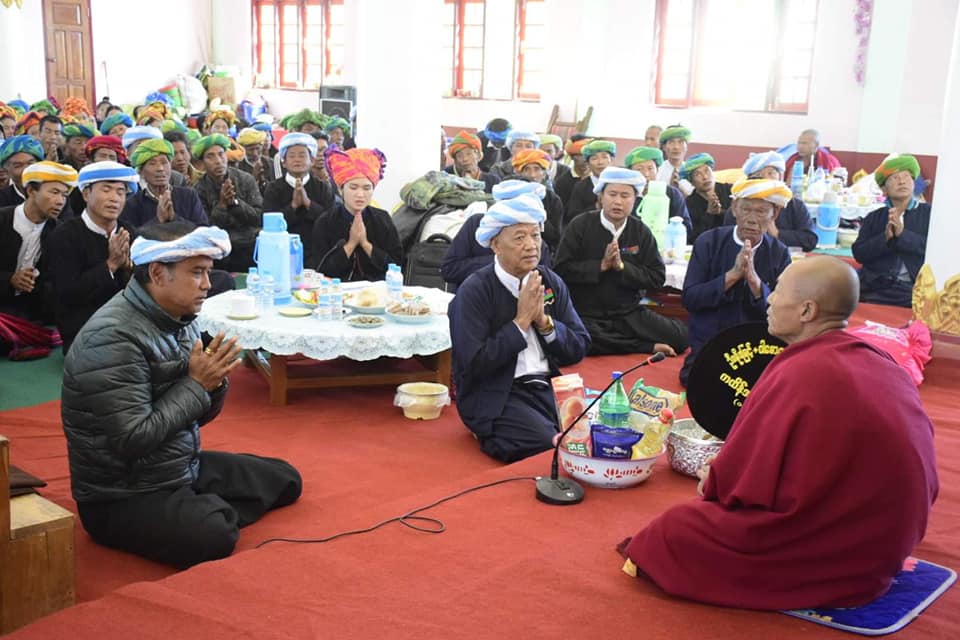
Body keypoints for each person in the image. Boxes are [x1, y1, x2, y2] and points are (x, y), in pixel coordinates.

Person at [621, 256, 938, 610]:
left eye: (779, 291)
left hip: (837, 552)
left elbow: (744, 483)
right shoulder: (880, 361)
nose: (769, 299)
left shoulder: (801, 370)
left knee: (674, 532)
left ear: (807, 310)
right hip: (891, 543)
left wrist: (715, 479)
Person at [61, 222, 302, 568]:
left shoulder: (182, 316)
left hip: (176, 468)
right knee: (214, 535)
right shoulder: (111, 338)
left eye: (208, 272)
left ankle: (199, 506)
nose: (207, 285)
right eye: (197, 273)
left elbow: (198, 414)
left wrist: (214, 383)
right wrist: (197, 385)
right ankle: (200, 511)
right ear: (158, 273)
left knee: (287, 479)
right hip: (120, 495)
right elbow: (131, 439)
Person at [448, 194, 590, 463]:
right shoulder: (474, 291)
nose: (531, 246)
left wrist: (545, 323)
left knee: (585, 437)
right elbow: (472, 364)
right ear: (495, 245)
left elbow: (579, 347)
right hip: (497, 392)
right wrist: (521, 322)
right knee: (550, 446)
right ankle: (488, 432)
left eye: (535, 236)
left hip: (547, 386)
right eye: (519, 237)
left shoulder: (549, 282)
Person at [554, 167, 688, 357]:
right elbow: (560, 270)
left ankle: (618, 341)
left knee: (680, 338)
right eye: (612, 194)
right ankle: (644, 346)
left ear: (635, 199)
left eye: (625, 195)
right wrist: (600, 266)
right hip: (586, 312)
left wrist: (622, 268)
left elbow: (656, 278)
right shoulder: (580, 225)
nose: (618, 201)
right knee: (578, 339)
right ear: (601, 196)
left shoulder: (640, 231)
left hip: (627, 313)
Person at [679, 178, 792, 385]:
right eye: (746, 209)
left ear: (774, 214)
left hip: (757, 345)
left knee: (766, 386)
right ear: (734, 208)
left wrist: (754, 281)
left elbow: (784, 313)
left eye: (760, 212)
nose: (751, 219)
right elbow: (690, 299)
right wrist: (732, 275)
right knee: (702, 383)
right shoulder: (708, 241)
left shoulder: (779, 253)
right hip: (711, 340)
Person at [50, 161, 140, 353]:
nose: (114, 198)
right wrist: (111, 265)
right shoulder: (64, 235)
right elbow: (67, 295)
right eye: (106, 190)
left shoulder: (129, 232)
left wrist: (128, 268)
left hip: (128, 319)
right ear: (86, 194)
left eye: (120, 192)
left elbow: (143, 287)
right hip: (83, 326)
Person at [0, 161, 77, 322]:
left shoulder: (60, 232)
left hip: (32, 314)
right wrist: (10, 279)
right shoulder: (3, 219)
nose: (60, 201)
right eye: (54, 192)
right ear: (31, 191)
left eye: (64, 195)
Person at [440, 180, 554, 288]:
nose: (530, 245)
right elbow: (449, 269)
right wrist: (501, 261)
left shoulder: (536, 244)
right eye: (519, 237)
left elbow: (548, 290)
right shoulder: (476, 224)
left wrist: (544, 304)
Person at [312, 147, 401, 281]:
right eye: (353, 187)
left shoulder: (382, 219)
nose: (360, 194)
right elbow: (319, 269)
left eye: (367, 188)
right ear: (340, 189)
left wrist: (365, 244)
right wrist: (351, 244)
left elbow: (397, 266)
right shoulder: (326, 221)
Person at [852, 155, 931, 308]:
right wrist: (885, 239)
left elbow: (935, 249)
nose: (902, 181)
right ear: (884, 189)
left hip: (914, 292)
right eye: (895, 178)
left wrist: (902, 235)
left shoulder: (929, 215)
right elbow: (859, 254)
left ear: (914, 183)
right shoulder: (874, 217)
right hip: (876, 289)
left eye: (906, 177)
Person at [262, 132, 336, 266]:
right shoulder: (273, 189)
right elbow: (269, 226)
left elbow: (331, 222)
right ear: (283, 162)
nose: (297, 160)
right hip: (282, 253)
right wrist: (293, 206)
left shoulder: (323, 187)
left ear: (312, 160)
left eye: (302, 155)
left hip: (317, 252)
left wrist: (308, 204)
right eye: (291, 156)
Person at [192, 134, 263, 272]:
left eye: (221, 154)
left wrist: (235, 203)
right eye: (210, 157)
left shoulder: (245, 179)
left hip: (249, 246)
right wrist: (222, 206)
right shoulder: (198, 190)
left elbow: (258, 217)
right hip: (218, 251)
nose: (218, 161)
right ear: (202, 163)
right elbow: (205, 229)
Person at [722, 151, 817, 251]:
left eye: (771, 173)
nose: (766, 179)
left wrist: (777, 233)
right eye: (758, 174)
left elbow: (810, 240)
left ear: (780, 177)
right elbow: (728, 242)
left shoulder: (794, 205)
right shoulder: (739, 208)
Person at [121, 139, 208, 229]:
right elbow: (133, 238)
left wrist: (174, 218)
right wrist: (158, 220)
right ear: (141, 172)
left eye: (164, 162)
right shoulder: (132, 205)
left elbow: (203, 230)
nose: (160, 168)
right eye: (152, 164)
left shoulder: (189, 196)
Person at [625, 145, 693, 236]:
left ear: (657, 170)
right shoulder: (626, 195)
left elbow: (686, 227)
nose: (646, 174)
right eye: (639, 169)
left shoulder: (672, 194)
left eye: (650, 168)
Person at [510, 148, 566, 250]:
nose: (532, 175)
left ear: (544, 173)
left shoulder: (553, 200)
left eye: (537, 169)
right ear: (519, 173)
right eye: (527, 169)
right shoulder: (511, 195)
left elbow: (555, 236)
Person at [682, 153, 732, 242]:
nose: (705, 177)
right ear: (691, 182)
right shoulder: (689, 204)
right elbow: (693, 238)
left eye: (707, 171)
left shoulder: (730, 190)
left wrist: (720, 212)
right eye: (698, 174)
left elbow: (739, 221)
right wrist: (709, 214)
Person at [565, 139, 616, 221]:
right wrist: (596, 206)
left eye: (604, 157)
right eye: (594, 158)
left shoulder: (621, 183)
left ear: (612, 160)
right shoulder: (581, 187)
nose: (600, 162)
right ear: (588, 163)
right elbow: (573, 217)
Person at [0, 135, 45, 207]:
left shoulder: (54, 192)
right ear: (6, 170)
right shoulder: (2, 199)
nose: (26, 170)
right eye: (18, 166)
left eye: (30, 163)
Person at [555, 136, 592, 206]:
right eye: (580, 155)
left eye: (588, 155)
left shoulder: (599, 177)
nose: (585, 159)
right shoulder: (563, 181)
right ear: (572, 157)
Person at [657, 125, 694, 196]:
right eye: (671, 142)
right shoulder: (658, 170)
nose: (676, 147)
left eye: (680, 142)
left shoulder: (692, 171)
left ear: (686, 147)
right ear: (664, 147)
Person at [235, 127, 273, 193]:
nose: (255, 153)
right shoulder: (237, 166)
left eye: (257, 148)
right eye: (251, 150)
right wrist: (254, 177)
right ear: (243, 149)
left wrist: (263, 180)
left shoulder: (270, 163)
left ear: (262, 146)